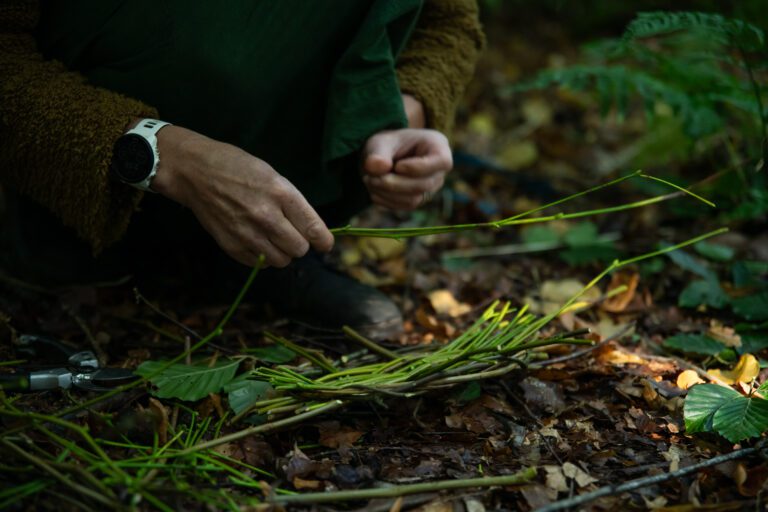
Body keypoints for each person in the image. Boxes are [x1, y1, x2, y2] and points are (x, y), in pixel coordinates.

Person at [0, 0, 484, 339]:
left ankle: (267, 248)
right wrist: (170, 156)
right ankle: (62, 241)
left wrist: (402, 114)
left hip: (273, 218)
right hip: (53, 203)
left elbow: (449, 20)